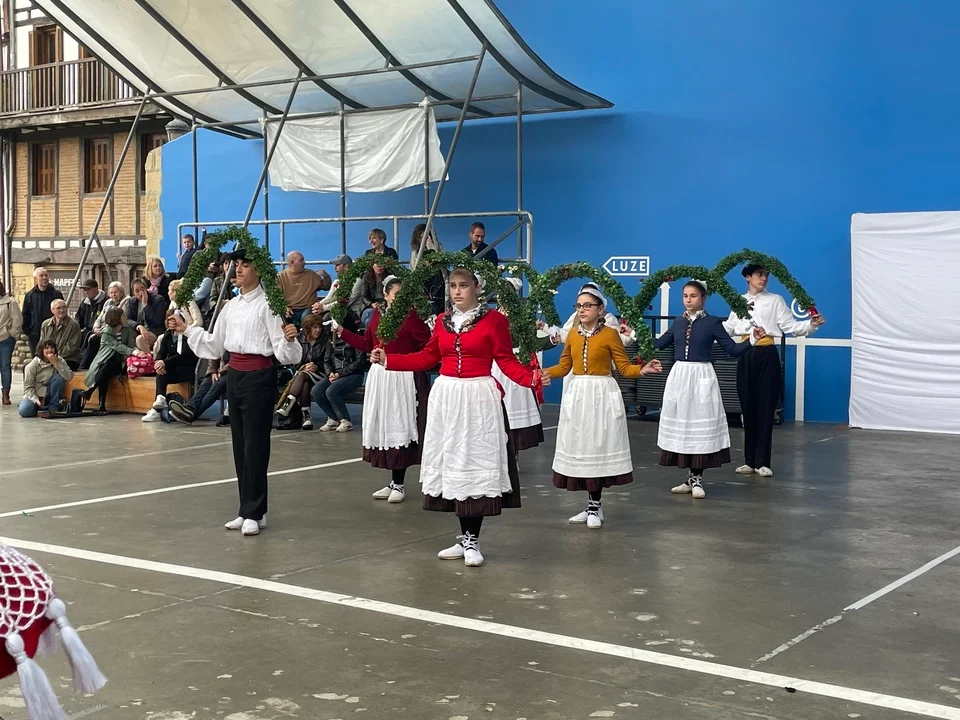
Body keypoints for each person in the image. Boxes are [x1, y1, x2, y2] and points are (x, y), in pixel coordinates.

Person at [369, 268, 541, 568]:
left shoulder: (494, 320)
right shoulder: (442, 321)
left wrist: (532, 379)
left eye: (464, 286)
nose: (457, 291)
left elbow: (505, 360)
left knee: (474, 462)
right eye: (453, 286)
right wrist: (389, 360)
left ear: (477, 288)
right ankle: (464, 538)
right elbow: (427, 357)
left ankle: (472, 539)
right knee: (453, 463)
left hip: (478, 398)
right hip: (447, 397)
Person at [168, 248, 302, 537]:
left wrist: (290, 341)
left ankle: (254, 510)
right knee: (240, 444)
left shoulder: (268, 305)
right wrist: (187, 329)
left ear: (258, 270)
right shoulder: (230, 307)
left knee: (255, 445)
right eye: (236, 264)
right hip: (236, 376)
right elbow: (214, 345)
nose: (238, 269)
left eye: (245, 265)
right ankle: (249, 509)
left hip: (259, 377)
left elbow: (283, 351)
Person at [544, 284, 662, 529]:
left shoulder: (610, 334)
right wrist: (543, 373)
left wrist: (643, 369)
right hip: (579, 394)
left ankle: (595, 505)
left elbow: (624, 367)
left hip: (601, 394)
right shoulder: (573, 335)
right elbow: (564, 366)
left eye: (588, 305)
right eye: (579, 306)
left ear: (600, 309)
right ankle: (591, 506)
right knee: (582, 446)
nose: (582, 310)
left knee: (598, 446)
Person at [658, 281, 764, 499]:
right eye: (685, 296)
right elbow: (659, 345)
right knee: (683, 425)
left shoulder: (713, 322)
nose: (688, 300)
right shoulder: (678, 322)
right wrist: (634, 334)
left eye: (693, 296)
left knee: (700, 425)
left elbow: (732, 350)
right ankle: (689, 478)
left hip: (701, 376)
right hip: (680, 376)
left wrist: (753, 339)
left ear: (703, 298)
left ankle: (697, 477)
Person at [723, 264, 826, 477]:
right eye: (759, 275)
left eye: (766, 275)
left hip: (767, 354)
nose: (764, 278)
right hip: (745, 353)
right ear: (748, 277)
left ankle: (762, 462)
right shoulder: (738, 302)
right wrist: (704, 327)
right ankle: (749, 461)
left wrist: (811, 324)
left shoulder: (775, 300)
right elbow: (729, 328)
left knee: (766, 408)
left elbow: (791, 327)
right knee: (747, 407)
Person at [336, 273, 431, 502]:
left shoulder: (412, 317)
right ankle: (394, 482)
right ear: (386, 296)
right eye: (396, 295)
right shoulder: (378, 315)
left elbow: (426, 347)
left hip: (403, 378)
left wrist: (401, 359)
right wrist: (342, 332)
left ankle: (400, 484)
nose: (401, 299)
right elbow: (367, 343)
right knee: (387, 427)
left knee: (401, 426)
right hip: (382, 377)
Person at [494, 278, 556, 457]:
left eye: (506, 291)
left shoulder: (521, 316)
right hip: (495, 366)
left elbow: (531, 341)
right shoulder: (491, 315)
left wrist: (550, 340)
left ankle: (513, 454)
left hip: (514, 365)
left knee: (513, 408)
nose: (502, 295)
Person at [82, 307, 146, 415]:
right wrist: (134, 352)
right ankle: (101, 404)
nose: (125, 317)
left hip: (120, 361)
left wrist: (137, 352)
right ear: (116, 318)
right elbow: (116, 346)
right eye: (123, 315)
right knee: (107, 368)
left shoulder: (127, 330)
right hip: (105, 360)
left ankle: (92, 391)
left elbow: (130, 345)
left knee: (107, 368)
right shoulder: (106, 332)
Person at [311, 313, 367, 433]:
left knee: (331, 391)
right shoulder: (331, 339)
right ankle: (333, 418)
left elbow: (359, 362)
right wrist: (330, 373)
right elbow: (327, 360)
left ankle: (346, 420)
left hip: (354, 374)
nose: (332, 329)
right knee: (316, 391)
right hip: (335, 374)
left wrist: (340, 374)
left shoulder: (355, 337)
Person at [142, 310, 199, 423]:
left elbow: (184, 356)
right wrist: (158, 363)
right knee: (161, 371)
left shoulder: (188, 335)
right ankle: (159, 402)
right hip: (173, 368)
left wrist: (165, 363)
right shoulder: (168, 335)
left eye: (175, 319)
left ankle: (159, 404)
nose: (172, 322)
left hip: (187, 369)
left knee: (165, 367)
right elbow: (161, 353)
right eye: (170, 320)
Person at [275, 314, 328, 430]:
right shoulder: (298, 338)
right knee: (304, 383)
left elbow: (327, 361)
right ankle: (306, 418)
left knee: (303, 376)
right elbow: (294, 359)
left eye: (319, 327)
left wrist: (316, 367)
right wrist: (303, 367)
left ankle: (288, 404)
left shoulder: (325, 339)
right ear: (307, 328)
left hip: (321, 374)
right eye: (315, 327)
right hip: (302, 373)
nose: (318, 330)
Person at [169, 353, 230, 426]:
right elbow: (213, 353)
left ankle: (190, 416)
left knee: (217, 385)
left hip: (233, 370)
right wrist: (213, 371)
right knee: (207, 381)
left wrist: (222, 371)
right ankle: (190, 408)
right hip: (221, 370)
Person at [19, 339, 73, 418]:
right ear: (41, 350)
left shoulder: (59, 360)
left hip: (50, 393)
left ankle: (53, 407)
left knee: (59, 378)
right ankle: (39, 408)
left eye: (52, 347)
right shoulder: (32, 365)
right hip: (36, 394)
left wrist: (56, 363)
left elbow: (69, 376)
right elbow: (28, 387)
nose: (50, 350)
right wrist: (35, 400)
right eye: (46, 348)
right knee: (25, 411)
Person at [83, 281, 128, 370]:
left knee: (94, 340)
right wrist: (96, 328)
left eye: (116, 292)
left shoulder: (126, 301)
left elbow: (119, 320)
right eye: (111, 292)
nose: (113, 295)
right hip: (104, 330)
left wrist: (103, 330)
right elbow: (99, 318)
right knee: (90, 337)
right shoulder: (108, 302)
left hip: (115, 331)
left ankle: (87, 366)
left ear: (122, 292)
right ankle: (86, 365)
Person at [278, 251, 331, 327]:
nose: (304, 263)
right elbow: (275, 297)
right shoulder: (281, 277)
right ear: (292, 262)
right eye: (301, 260)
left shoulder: (310, 274)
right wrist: (284, 307)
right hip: (290, 310)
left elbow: (326, 287)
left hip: (308, 308)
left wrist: (325, 276)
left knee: (307, 319)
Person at [21, 266, 63, 356]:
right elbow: (25, 313)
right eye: (41, 276)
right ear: (36, 279)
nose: (44, 278)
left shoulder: (56, 294)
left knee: (51, 357)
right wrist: (27, 330)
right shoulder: (30, 295)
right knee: (36, 358)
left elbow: (61, 312)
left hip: (52, 332)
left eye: (46, 275)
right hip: (35, 334)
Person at [410, 224, 447, 316]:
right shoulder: (414, 253)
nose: (423, 240)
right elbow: (414, 271)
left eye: (426, 237)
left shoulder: (438, 247)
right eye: (420, 237)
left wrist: (431, 248)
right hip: (423, 284)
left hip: (438, 284)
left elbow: (442, 264)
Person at [125, 278, 168, 353]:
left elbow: (158, 321)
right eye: (137, 291)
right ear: (133, 292)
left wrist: (146, 305)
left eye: (142, 289)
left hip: (154, 331)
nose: (140, 293)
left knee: (140, 339)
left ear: (146, 289)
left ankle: (149, 359)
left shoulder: (158, 300)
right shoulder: (131, 301)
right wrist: (139, 326)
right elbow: (127, 319)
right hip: (138, 330)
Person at [315, 254, 364, 319]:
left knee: (326, 317)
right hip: (335, 309)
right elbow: (329, 298)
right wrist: (317, 305)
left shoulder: (357, 281)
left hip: (353, 313)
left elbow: (346, 302)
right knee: (313, 315)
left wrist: (324, 308)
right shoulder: (337, 281)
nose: (334, 268)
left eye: (337, 265)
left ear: (346, 266)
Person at [38, 299, 82, 370]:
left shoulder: (73, 325)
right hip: (49, 357)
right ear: (52, 310)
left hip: (69, 359)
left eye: (64, 307)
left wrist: (55, 356)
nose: (62, 310)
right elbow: (42, 343)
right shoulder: (45, 324)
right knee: (30, 367)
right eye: (58, 308)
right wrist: (47, 356)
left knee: (52, 368)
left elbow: (72, 347)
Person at [0, 281, 23, 406]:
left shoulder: (10, 302)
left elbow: (17, 319)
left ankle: (5, 394)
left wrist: (12, 334)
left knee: (5, 367)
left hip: (5, 338)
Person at [359, 262, 388, 327]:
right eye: (377, 263)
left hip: (384, 306)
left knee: (368, 321)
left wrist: (384, 304)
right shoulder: (366, 277)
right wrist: (371, 304)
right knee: (371, 313)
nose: (380, 266)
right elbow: (363, 296)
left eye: (382, 263)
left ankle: (370, 333)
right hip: (369, 306)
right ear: (372, 265)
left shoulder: (389, 277)